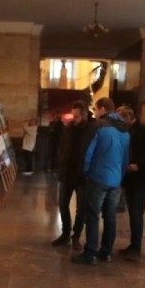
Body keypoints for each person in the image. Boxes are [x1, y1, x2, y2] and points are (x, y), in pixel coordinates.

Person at [71, 97, 129, 265]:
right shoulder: (125, 129)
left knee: (92, 214)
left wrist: (86, 171)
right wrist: (120, 176)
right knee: (110, 215)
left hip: (98, 177)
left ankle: (90, 253)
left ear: (103, 109)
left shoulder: (98, 126)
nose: (95, 113)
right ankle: (107, 252)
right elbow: (126, 158)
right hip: (115, 179)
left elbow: (88, 152)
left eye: (96, 109)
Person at [116, 106, 145, 261]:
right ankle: (133, 244)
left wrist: (139, 165)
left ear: (129, 117)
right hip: (131, 178)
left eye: (120, 118)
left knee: (136, 212)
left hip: (142, 178)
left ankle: (136, 248)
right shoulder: (127, 131)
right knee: (133, 212)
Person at [52, 100, 94, 248]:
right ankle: (65, 234)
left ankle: (76, 235)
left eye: (76, 116)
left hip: (82, 175)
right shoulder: (68, 128)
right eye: (73, 116)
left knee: (81, 208)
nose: (74, 119)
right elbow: (62, 147)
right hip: (67, 173)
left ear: (84, 115)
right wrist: (61, 161)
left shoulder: (91, 129)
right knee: (63, 204)